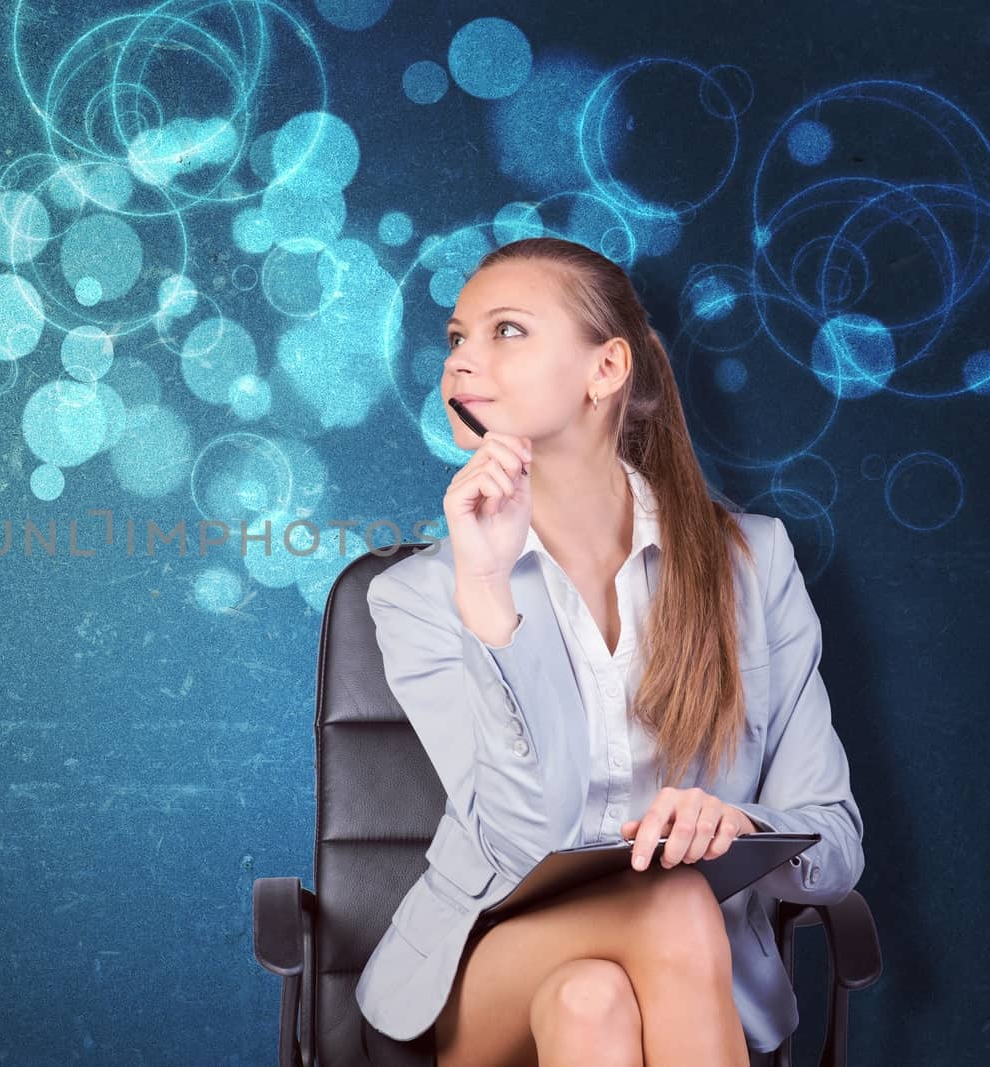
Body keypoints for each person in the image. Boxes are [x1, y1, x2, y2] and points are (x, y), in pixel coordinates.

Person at [354, 236, 864, 1066]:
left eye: (506, 331)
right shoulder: (419, 594)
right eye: (455, 338)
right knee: (670, 908)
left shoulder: (753, 562)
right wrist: (486, 595)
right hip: (492, 957)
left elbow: (834, 845)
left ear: (606, 368)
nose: (460, 360)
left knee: (593, 1001)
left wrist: (739, 826)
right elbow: (516, 844)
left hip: (694, 974)